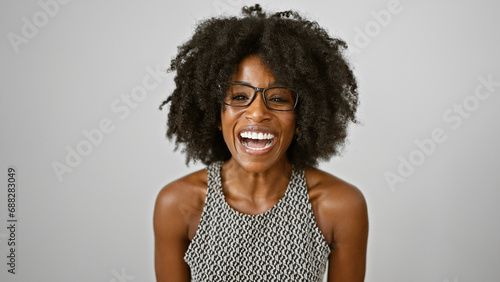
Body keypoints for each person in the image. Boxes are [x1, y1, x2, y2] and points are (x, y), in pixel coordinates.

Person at [154, 4, 368, 281]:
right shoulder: (178, 204)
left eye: (278, 98)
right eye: (240, 97)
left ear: (302, 116)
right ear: (215, 114)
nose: (257, 113)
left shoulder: (339, 206)